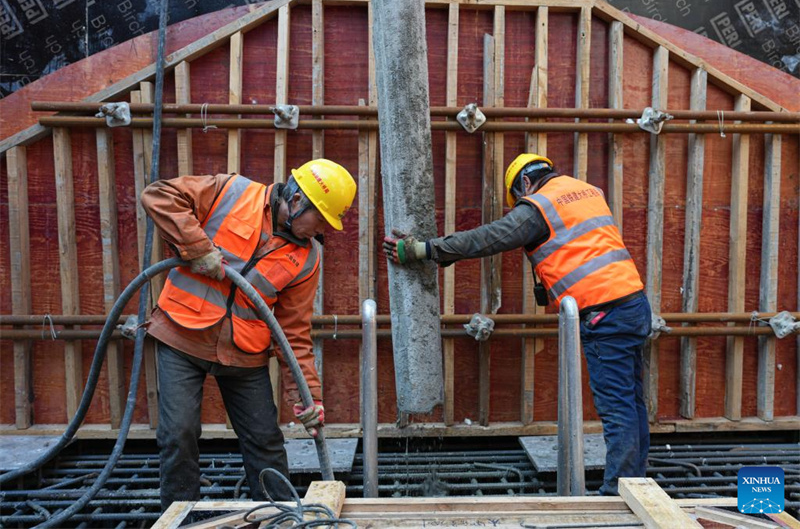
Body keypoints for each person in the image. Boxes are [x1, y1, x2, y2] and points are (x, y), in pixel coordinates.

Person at [383, 153, 652, 496]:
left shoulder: (540, 206)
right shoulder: (585, 191)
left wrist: (425, 250)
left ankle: (618, 490)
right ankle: (635, 482)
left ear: (525, 183)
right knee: (631, 401)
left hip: (602, 313)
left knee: (617, 407)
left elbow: (489, 238)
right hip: (633, 304)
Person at [141, 159, 357, 510]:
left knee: (265, 440)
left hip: (243, 353)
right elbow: (159, 195)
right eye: (320, 220)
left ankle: (279, 516)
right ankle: (179, 516)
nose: (321, 231)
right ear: (297, 200)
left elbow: (293, 332)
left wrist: (309, 396)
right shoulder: (233, 192)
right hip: (182, 335)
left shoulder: (307, 258)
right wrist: (198, 248)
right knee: (178, 434)